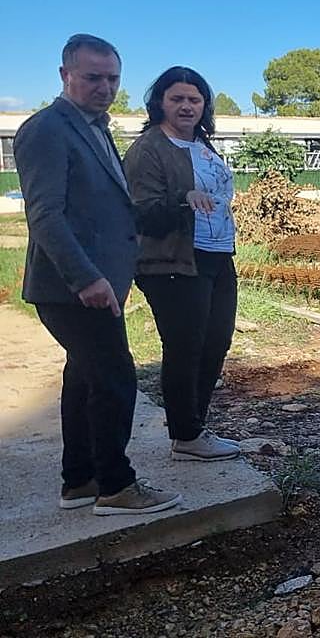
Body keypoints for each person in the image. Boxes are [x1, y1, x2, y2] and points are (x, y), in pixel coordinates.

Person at [14, 34, 181, 515]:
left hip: (99, 283)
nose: (104, 87)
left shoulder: (95, 127)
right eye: (92, 77)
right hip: (74, 287)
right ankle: (116, 485)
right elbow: (46, 215)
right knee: (114, 379)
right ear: (65, 75)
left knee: (84, 378)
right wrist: (86, 278)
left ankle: (80, 480)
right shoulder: (47, 129)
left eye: (112, 78)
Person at [124, 66, 241, 461]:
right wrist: (182, 199)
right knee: (185, 347)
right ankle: (186, 434)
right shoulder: (149, 149)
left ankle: (193, 430)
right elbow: (140, 212)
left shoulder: (203, 143)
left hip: (216, 255)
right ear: (160, 102)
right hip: (173, 261)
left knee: (215, 343)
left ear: (204, 104)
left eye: (194, 99)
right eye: (177, 99)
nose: (187, 106)